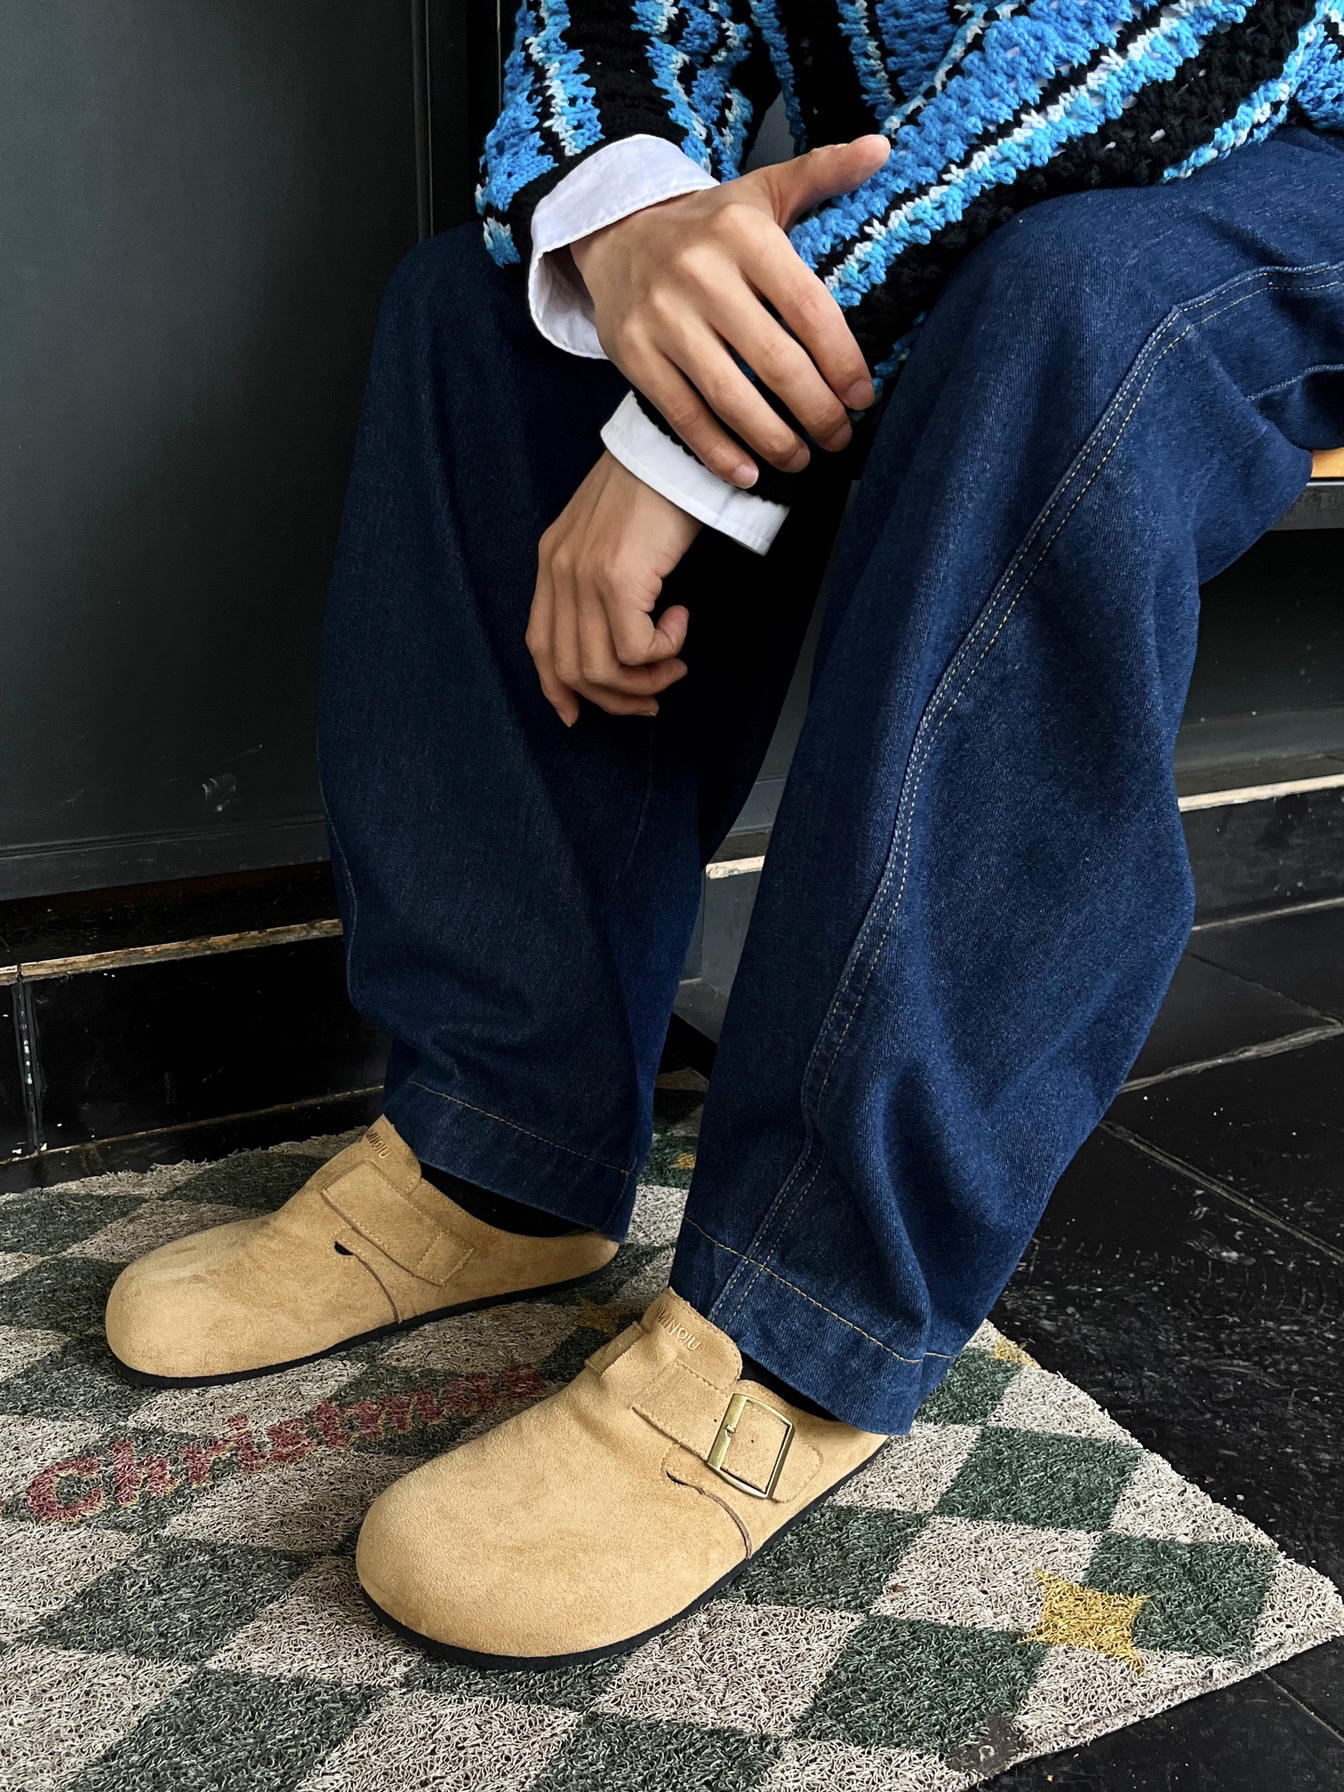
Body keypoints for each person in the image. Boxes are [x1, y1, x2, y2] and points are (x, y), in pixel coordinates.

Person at [104, 0, 1344, 1669]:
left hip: (1267, 154)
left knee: (1074, 308)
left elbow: (1169, 54)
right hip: (984, 185)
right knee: (489, 311)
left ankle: (804, 1322)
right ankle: (498, 1148)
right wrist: (629, 223)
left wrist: (683, 452)